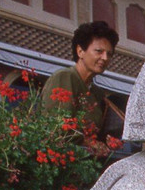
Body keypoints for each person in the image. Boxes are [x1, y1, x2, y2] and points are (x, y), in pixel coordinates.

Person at [42, 21, 119, 157]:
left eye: (109, 54)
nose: (105, 58)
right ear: (80, 51)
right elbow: (56, 126)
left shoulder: (98, 93)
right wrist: (88, 142)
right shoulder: (65, 77)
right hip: (59, 161)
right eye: (99, 51)